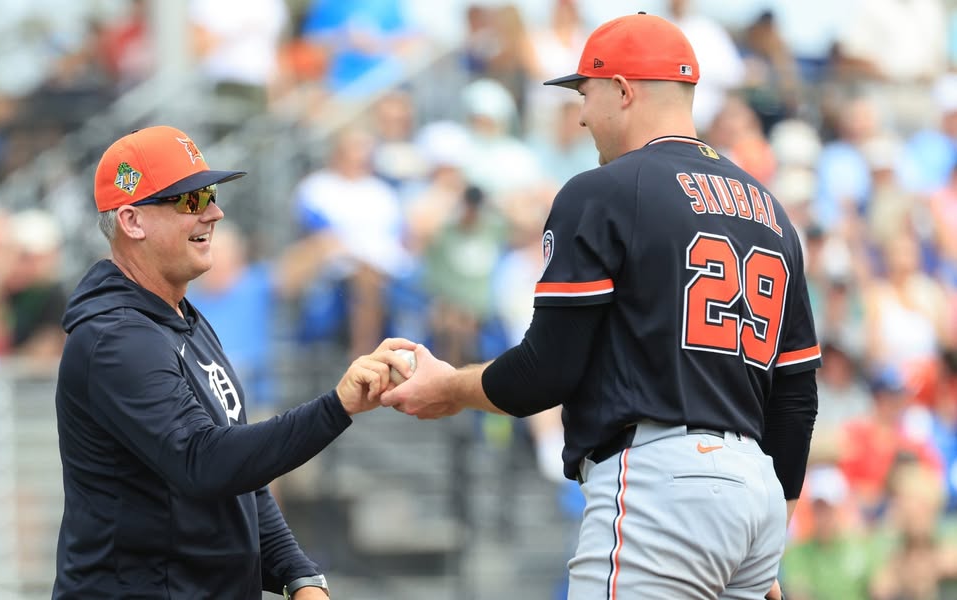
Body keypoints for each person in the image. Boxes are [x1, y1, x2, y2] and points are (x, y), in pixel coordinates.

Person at [382, 13, 820, 600]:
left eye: (586, 92)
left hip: (660, 480)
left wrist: (451, 387)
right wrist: (771, 539)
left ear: (622, 88)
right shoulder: (772, 212)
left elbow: (546, 373)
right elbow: (796, 398)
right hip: (757, 497)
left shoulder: (605, 190)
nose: (582, 114)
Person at [52, 125, 415, 599]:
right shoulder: (116, 336)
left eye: (211, 194)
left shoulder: (182, 318)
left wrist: (298, 575)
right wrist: (336, 406)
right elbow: (205, 462)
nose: (214, 212)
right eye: (191, 200)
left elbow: (242, 484)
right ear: (132, 221)